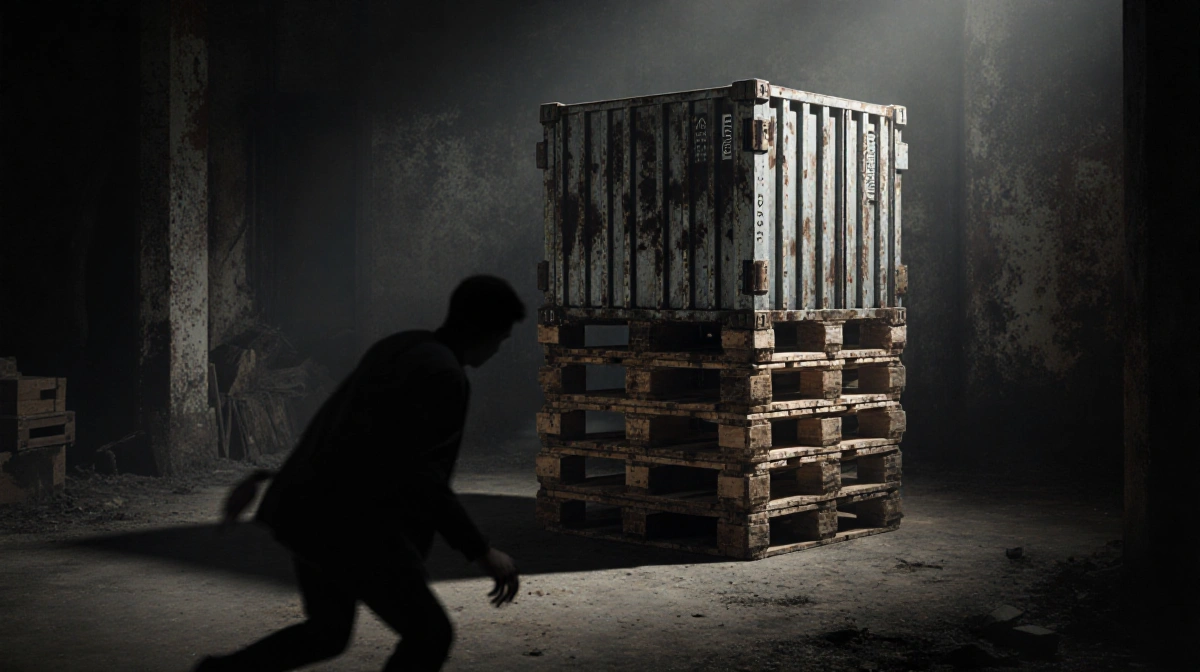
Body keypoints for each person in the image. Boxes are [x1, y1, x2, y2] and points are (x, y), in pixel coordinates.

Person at [195, 275, 525, 672]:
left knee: (328, 632)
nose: (501, 345)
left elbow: (336, 423)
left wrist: (275, 479)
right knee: (430, 634)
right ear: (483, 328)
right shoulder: (444, 375)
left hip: (312, 509)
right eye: (501, 335)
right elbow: (422, 478)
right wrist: (481, 551)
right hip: (353, 523)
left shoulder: (401, 345)